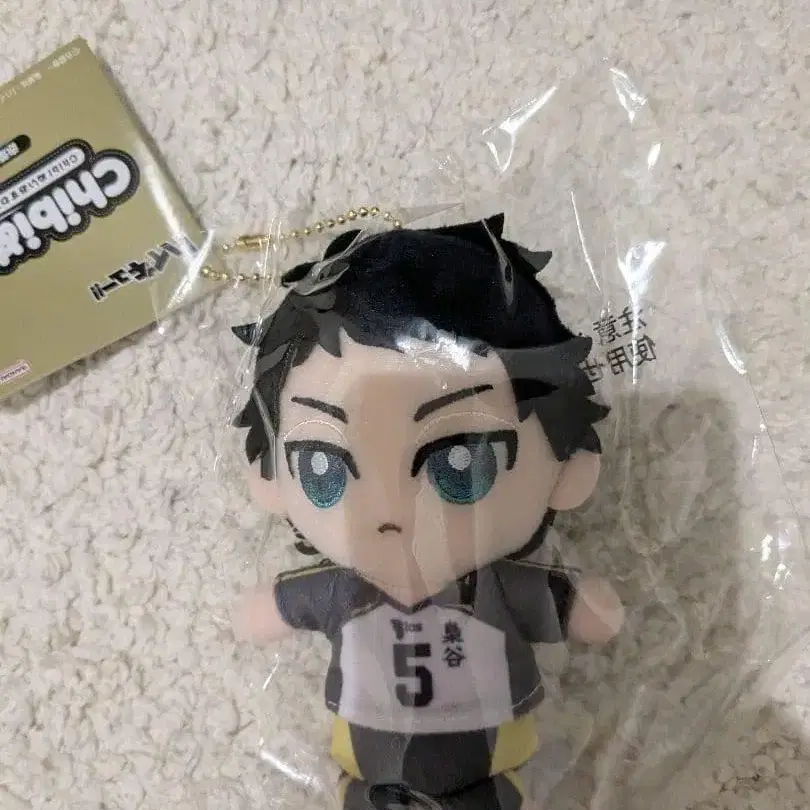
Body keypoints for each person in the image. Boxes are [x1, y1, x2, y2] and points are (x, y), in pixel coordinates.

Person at [234, 215, 624, 809]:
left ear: (567, 468)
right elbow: (283, 606)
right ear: (270, 478)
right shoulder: (344, 591)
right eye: (323, 467)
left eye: (460, 465)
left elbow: (573, 607)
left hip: (488, 770)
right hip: (370, 771)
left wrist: (581, 606)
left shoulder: (497, 589)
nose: (392, 513)